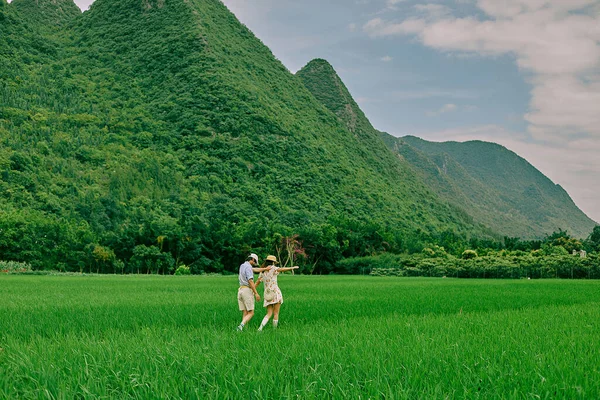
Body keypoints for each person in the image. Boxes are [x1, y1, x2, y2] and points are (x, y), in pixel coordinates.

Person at [255, 255, 299, 331]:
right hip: (275, 293)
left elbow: (257, 282)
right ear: (273, 262)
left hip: (267, 295)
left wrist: (253, 290)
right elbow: (282, 269)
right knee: (276, 313)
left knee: (269, 313)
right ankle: (274, 329)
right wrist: (292, 268)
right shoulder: (273, 268)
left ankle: (260, 328)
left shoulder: (262, 271)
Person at [237, 253, 271, 331]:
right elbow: (250, 281)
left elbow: (256, 269)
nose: (255, 264)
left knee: (245, 312)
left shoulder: (242, 266)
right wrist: (256, 293)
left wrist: (265, 269)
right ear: (252, 259)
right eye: (255, 262)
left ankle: (242, 329)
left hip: (240, 290)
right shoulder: (248, 268)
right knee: (251, 313)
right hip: (246, 291)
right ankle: (240, 326)